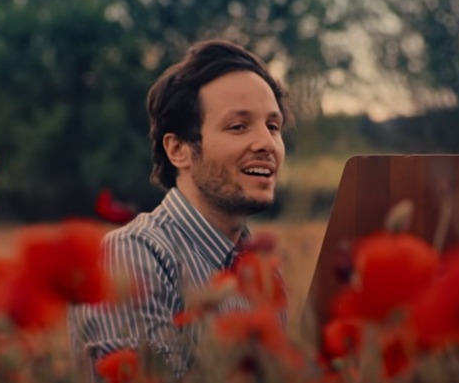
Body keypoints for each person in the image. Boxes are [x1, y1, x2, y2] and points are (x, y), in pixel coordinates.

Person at [68, 40, 293, 381]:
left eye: (273, 127)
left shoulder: (262, 275)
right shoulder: (133, 254)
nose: (266, 144)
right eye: (238, 126)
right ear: (178, 150)